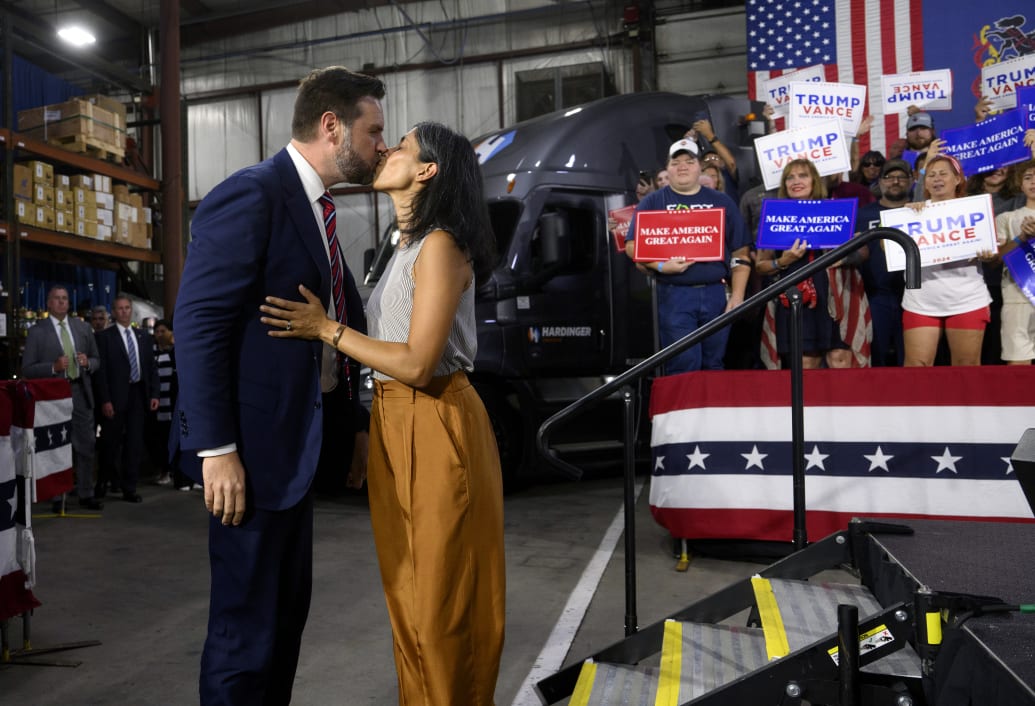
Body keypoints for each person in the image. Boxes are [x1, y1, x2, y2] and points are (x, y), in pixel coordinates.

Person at [260, 121, 505, 706]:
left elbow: (419, 362)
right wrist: (370, 424)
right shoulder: (402, 246)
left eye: (404, 146)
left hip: (437, 417)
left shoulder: (442, 244)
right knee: (408, 592)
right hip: (399, 418)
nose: (388, 149)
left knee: (442, 599)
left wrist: (325, 328)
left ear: (427, 171)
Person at [172, 66, 385, 705]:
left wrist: (353, 429)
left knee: (284, 623)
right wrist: (217, 449)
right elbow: (199, 321)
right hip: (250, 456)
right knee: (245, 635)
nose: (381, 143)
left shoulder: (319, 210)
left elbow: (339, 324)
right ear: (331, 126)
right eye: (373, 130)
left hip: (297, 452)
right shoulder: (253, 194)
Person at [624, 137, 750, 374]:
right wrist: (661, 266)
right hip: (674, 295)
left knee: (714, 363)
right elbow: (632, 247)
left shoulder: (721, 202)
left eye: (689, 161)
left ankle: (712, 411)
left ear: (699, 167)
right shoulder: (653, 202)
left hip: (715, 293)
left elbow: (741, 250)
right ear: (667, 168)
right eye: (676, 162)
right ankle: (682, 410)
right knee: (683, 363)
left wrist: (738, 296)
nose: (682, 166)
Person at [902, 154, 997, 366]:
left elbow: (993, 253)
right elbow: (885, 244)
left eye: (943, 174)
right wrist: (905, 220)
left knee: (966, 368)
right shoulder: (912, 212)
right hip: (921, 301)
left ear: (957, 179)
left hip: (967, 299)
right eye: (931, 174)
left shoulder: (975, 210)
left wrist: (989, 254)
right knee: (916, 369)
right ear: (924, 182)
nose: (936, 179)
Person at [756, 159, 851, 369]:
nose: (795, 181)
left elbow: (862, 252)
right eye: (790, 177)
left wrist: (842, 256)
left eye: (803, 175)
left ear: (814, 181)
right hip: (795, 299)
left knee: (841, 359)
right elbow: (760, 266)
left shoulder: (835, 210)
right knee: (805, 364)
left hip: (834, 297)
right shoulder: (775, 215)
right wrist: (783, 260)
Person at [21, 285, 103, 510]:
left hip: (80, 392)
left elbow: (97, 359)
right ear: (48, 303)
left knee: (86, 445)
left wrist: (88, 363)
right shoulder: (38, 331)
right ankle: (58, 497)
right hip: (53, 398)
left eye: (65, 298)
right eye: (56, 299)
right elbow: (27, 368)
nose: (61, 302)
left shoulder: (82, 327)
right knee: (57, 446)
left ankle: (86, 493)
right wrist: (53, 367)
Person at [94, 293, 159, 502]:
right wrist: (105, 400)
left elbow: (151, 368)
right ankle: (103, 482)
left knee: (134, 443)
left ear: (131, 310)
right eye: (119, 308)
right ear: (113, 312)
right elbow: (100, 372)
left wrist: (154, 394)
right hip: (114, 397)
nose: (124, 311)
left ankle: (129, 488)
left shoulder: (143, 337)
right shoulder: (104, 337)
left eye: (127, 308)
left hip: (138, 395)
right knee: (109, 443)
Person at [856, 159, 911, 366]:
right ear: (879, 182)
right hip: (875, 293)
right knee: (876, 353)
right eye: (888, 177)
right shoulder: (862, 215)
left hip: (914, 293)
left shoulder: (920, 210)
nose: (895, 181)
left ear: (912, 180)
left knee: (910, 357)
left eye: (901, 177)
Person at [995, 151, 1035, 365]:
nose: (1033, 182)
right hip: (1017, 297)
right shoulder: (1006, 218)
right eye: (1028, 177)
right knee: (1019, 367)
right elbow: (997, 258)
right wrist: (1022, 238)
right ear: (1020, 183)